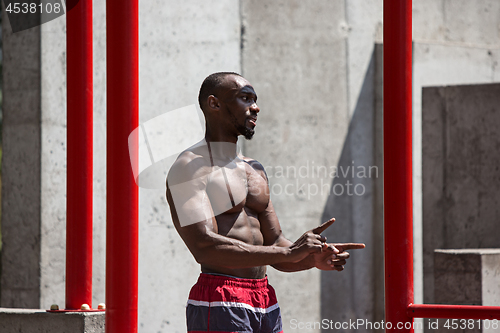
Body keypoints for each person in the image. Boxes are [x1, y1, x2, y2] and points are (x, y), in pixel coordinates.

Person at [166, 72, 365, 333]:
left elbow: (275, 244)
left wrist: (309, 258)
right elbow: (204, 246)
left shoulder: (254, 169)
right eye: (245, 98)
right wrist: (288, 253)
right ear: (214, 104)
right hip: (220, 298)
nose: (256, 107)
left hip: (264, 299)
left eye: (255, 99)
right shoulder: (190, 168)